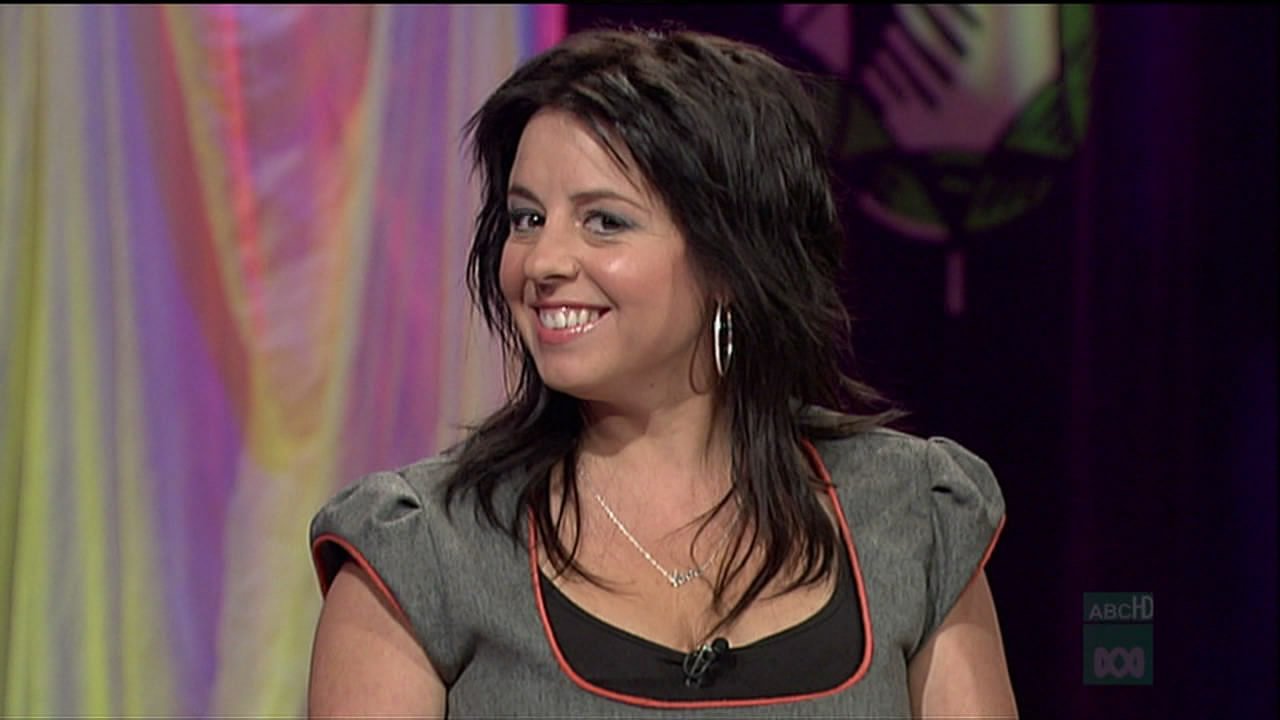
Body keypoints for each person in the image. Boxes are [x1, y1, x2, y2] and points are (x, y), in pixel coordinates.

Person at [307, 28, 1016, 718]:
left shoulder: (913, 517)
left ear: (732, 260)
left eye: (604, 222)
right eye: (526, 219)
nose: (542, 262)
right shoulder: (420, 553)